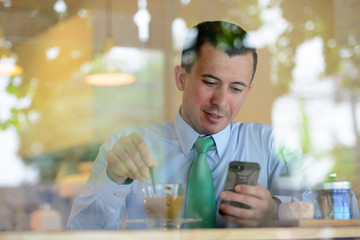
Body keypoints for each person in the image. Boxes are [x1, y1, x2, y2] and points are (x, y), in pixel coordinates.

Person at [67, 20, 357, 230]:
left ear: (248, 90)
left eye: (236, 89)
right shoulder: (128, 147)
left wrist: (276, 210)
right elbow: (78, 235)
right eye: (210, 82)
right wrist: (113, 181)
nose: (221, 101)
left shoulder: (270, 145)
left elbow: (346, 210)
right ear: (181, 78)